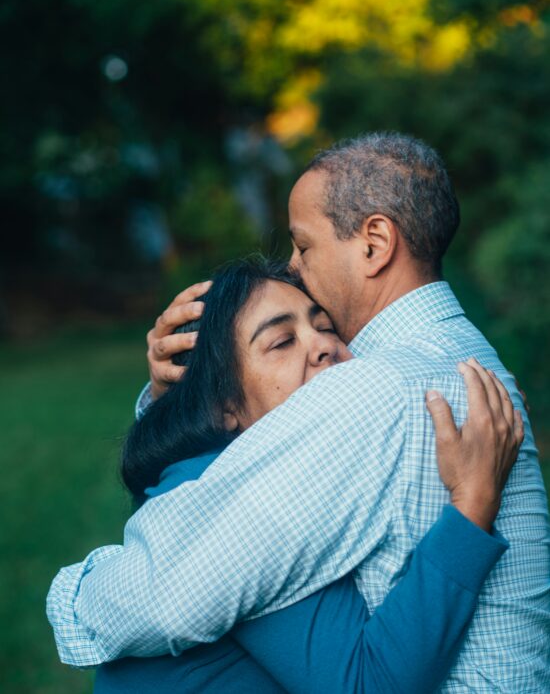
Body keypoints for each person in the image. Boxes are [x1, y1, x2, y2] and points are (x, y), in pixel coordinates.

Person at [47, 133, 550, 691]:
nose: (294, 266)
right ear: (225, 403)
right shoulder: (465, 362)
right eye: (280, 341)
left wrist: (77, 594)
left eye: (303, 247)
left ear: (375, 243)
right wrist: (178, 399)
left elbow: (166, 592)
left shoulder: (375, 388)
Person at [94, 257, 513, 693]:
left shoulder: (238, 470)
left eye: (326, 326)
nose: (323, 346)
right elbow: (368, 684)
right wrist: (472, 504)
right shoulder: (243, 507)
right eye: (281, 342)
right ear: (224, 408)